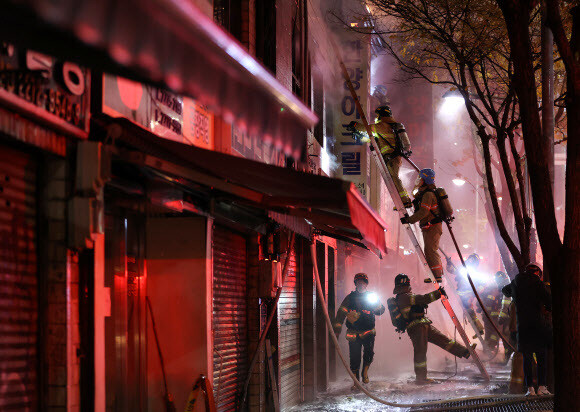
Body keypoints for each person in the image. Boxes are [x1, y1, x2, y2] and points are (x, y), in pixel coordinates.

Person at [391, 274, 472, 384]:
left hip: (423, 324)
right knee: (420, 352)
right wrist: (438, 293)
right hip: (416, 327)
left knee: (443, 340)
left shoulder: (405, 296)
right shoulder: (404, 297)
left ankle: (464, 352)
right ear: (406, 283)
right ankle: (421, 378)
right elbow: (423, 299)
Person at [502, 263, 552, 396]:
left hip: (522, 327)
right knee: (541, 356)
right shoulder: (538, 284)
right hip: (537, 326)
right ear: (537, 273)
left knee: (527, 357)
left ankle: (530, 389)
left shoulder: (516, 282)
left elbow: (505, 291)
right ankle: (541, 387)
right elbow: (549, 301)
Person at [348, 105, 412, 207]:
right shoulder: (390, 127)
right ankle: (404, 200)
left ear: (381, 115)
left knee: (394, 178)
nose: (376, 117)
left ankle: (405, 200)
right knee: (394, 179)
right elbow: (374, 140)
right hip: (394, 157)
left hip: (391, 158)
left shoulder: (382, 126)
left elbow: (366, 128)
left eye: (377, 115)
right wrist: (360, 136)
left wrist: (355, 124)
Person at [334, 273, 385, 386]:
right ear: (355, 283)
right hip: (354, 333)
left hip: (368, 332)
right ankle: (356, 380)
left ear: (366, 284)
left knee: (369, 354)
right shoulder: (350, 298)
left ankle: (365, 372)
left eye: (363, 282)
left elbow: (380, 311)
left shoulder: (371, 296)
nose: (361, 284)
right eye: (358, 282)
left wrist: (375, 305)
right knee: (354, 357)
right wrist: (337, 331)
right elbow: (340, 314)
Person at [400, 169, 445, 282]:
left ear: (424, 180)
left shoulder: (428, 195)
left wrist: (409, 220)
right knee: (429, 250)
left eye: (419, 178)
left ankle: (437, 276)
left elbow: (423, 212)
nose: (417, 180)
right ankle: (435, 274)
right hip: (429, 227)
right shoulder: (425, 194)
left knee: (431, 251)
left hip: (432, 227)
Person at [445, 253, 485, 336]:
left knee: (470, 311)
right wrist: (449, 263)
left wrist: (475, 293)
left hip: (468, 295)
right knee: (469, 312)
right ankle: (478, 329)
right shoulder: (462, 269)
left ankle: (479, 329)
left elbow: (481, 285)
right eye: (470, 259)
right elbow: (452, 270)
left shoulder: (476, 273)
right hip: (461, 294)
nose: (470, 261)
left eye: (473, 260)